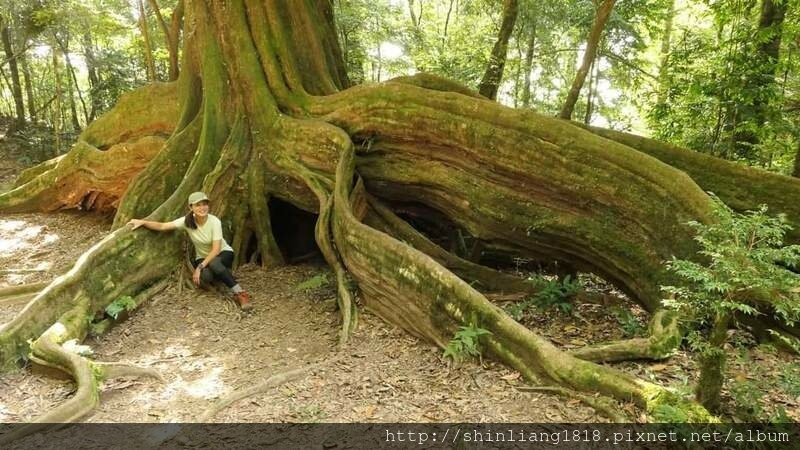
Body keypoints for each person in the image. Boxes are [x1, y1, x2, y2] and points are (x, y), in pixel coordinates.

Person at [127, 191, 252, 310]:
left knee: (214, 263)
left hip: (223, 254)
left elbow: (216, 249)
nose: (202, 208)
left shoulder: (214, 222)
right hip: (203, 257)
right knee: (206, 277)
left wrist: (199, 267)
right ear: (191, 207)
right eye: (198, 205)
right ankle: (223, 274)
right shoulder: (187, 221)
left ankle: (240, 293)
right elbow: (163, 226)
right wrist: (143, 222)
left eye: (205, 204)